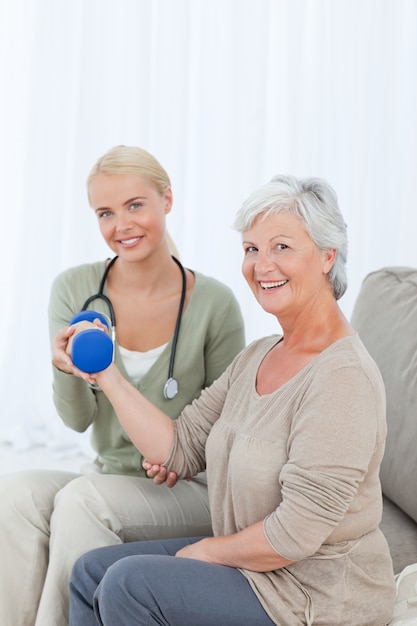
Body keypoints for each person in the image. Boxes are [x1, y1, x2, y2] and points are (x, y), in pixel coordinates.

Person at [69, 174, 396, 626]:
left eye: (282, 247)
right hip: (252, 571)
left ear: (326, 256)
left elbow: (295, 533)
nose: (262, 265)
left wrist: (205, 551)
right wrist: (105, 374)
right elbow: (178, 447)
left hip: (312, 596)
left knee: (130, 584)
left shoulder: (343, 378)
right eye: (251, 249)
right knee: (91, 572)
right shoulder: (258, 356)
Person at [0, 145, 245, 626]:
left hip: (190, 487)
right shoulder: (75, 289)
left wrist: (182, 459)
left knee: (82, 500)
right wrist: (65, 368)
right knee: (15, 494)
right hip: (110, 474)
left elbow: (231, 427)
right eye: (105, 213)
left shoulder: (214, 302)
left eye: (135, 205)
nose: (122, 225)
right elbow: (77, 420)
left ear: (166, 200)